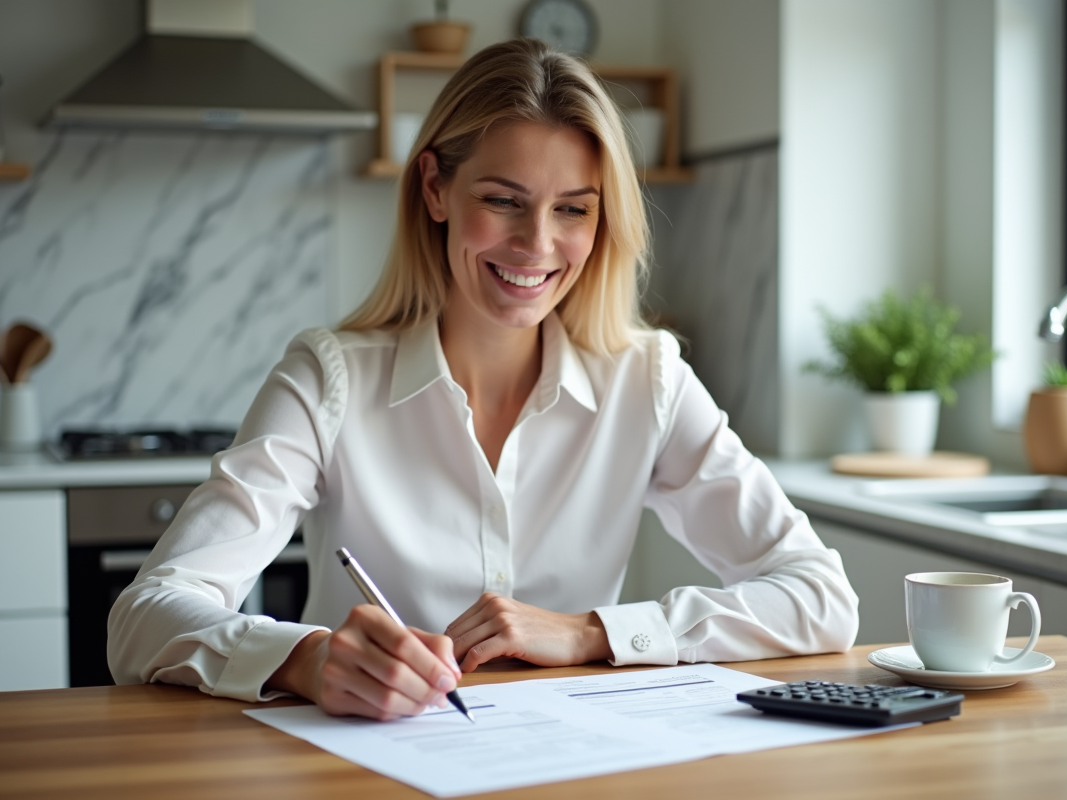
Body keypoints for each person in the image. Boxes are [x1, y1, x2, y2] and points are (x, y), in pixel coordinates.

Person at [108, 38, 858, 720]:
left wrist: (594, 633)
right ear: (435, 188)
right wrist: (307, 660)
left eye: (573, 210)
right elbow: (145, 615)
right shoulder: (328, 378)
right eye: (502, 200)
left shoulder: (648, 378)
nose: (537, 244)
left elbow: (822, 598)